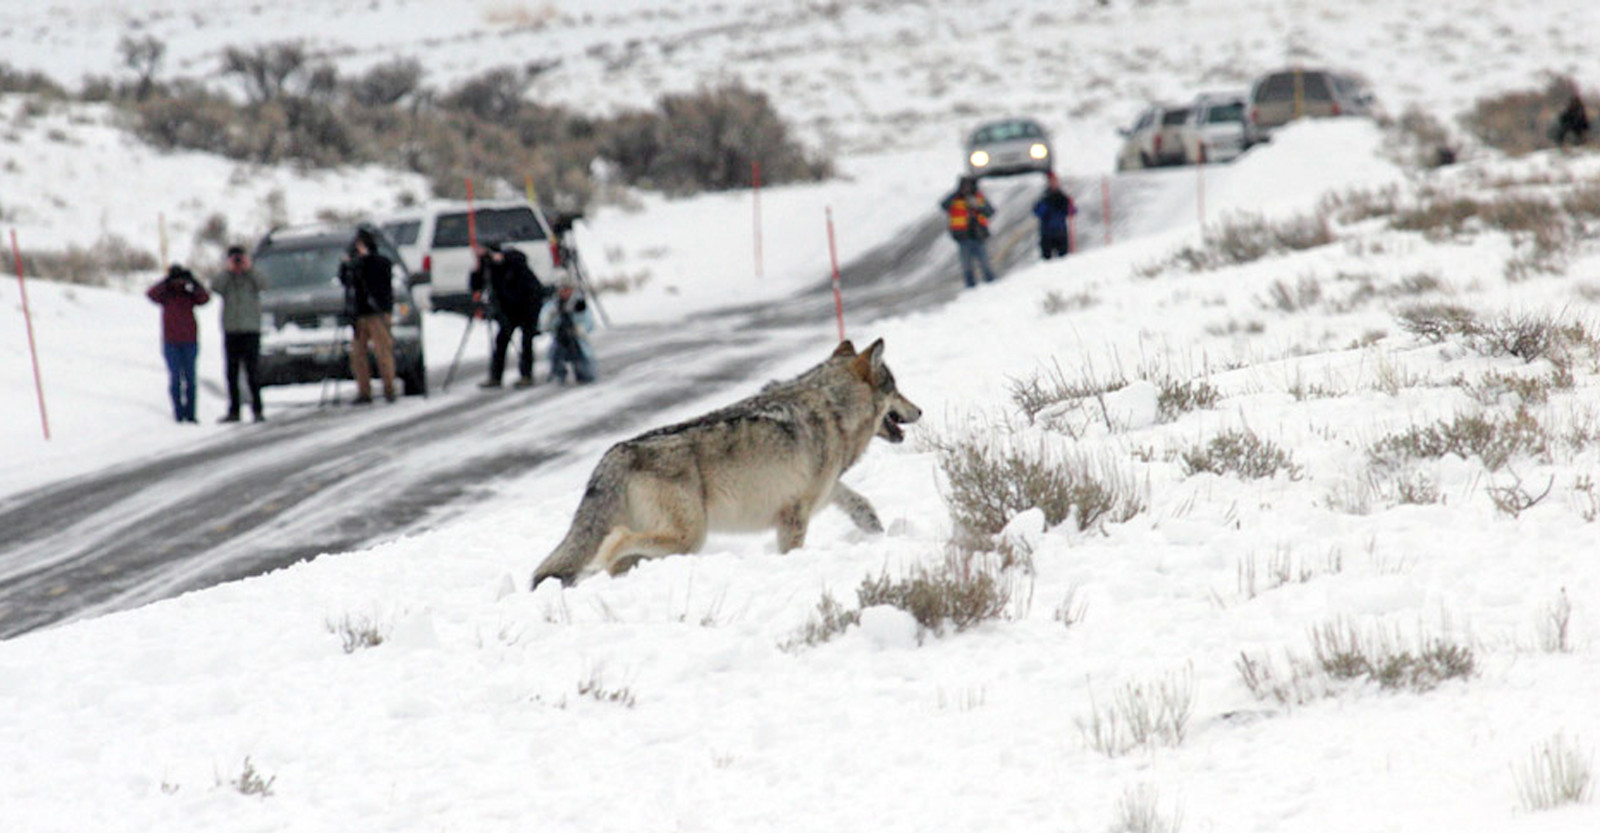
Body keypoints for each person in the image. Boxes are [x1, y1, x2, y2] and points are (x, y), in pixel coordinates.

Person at [470, 239, 546, 389]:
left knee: (527, 340)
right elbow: (477, 285)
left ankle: (526, 375)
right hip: (508, 308)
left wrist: (502, 258)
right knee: (501, 340)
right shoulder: (488, 266)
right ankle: (495, 377)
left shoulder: (513, 259)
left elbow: (520, 259)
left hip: (528, 303)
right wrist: (477, 269)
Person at [340, 228, 399, 404]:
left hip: (378, 312)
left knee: (383, 352)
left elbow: (380, 280)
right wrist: (348, 265)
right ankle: (364, 391)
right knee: (358, 354)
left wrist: (365, 261)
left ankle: (389, 388)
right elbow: (346, 280)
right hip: (359, 313)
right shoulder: (354, 264)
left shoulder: (380, 262)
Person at [146, 263, 211, 424]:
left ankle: (191, 413)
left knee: (190, 379)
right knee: (175, 378)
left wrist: (194, 282)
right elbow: (151, 294)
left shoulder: (189, 294)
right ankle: (178, 412)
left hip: (190, 341)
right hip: (171, 342)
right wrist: (166, 281)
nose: (179, 283)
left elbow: (205, 298)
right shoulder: (166, 295)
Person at [210, 245, 265, 423]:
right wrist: (228, 270)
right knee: (231, 373)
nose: (238, 262)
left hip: (251, 329)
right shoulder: (227, 279)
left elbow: (264, 284)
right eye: (235, 259)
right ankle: (234, 410)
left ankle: (257, 409)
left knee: (252, 371)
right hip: (232, 330)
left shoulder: (252, 277)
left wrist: (249, 269)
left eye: (240, 258)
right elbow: (215, 287)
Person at [939, 175, 997, 288]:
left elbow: (990, 212)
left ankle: (991, 284)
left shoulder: (978, 197)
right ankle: (970, 286)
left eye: (969, 186)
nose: (967, 189)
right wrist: (956, 194)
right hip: (963, 237)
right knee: (967, 265)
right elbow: (944, 205)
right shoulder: (956, 199)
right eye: (964, 187)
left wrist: (978, 207)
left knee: (984, 262)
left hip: (978, 235)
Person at [539, 278, 596, 385]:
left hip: (576, 339)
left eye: (567, 289)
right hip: (559, 338)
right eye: (562, 289)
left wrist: (580, 329)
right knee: (554, 353)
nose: (565, 292)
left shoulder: (579, 304)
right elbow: (543, 324)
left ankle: (583, 373)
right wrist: (551, 319)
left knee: (583, 365)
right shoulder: (552, 305)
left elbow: (589, 322)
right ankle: (558, 373)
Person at [1032, 172, 1077, 260]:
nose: (1054, 184)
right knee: (1046, 260)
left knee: (1064, 260)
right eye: (1051, 182)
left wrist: (1068, 205)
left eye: (1055, 181)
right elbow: (1038, 212)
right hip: (1047, 234)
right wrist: (1046, 205)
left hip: (1061, 233)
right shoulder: (1044, 197)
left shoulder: (1063, 198)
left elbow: (1072, 212)